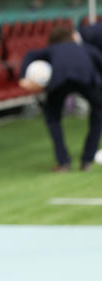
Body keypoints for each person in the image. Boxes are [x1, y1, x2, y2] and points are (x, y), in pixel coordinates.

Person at [21, 26, 102, 172]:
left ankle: (63, 162)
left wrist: (23, 78)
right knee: (98, 113)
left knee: (52, 117)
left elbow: (30, 54)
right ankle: (87, 160)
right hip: (87, 79)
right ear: (72, 36)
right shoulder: (86, 48)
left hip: (60, 80)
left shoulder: (52, 49)